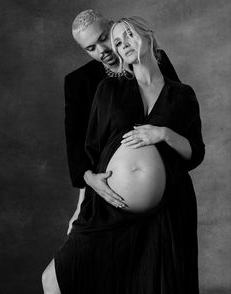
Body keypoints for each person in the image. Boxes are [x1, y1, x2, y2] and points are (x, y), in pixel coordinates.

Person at [43, 15, 205, 293]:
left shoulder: (180, 92)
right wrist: (82, 201)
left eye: (108, 38)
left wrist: (163, 133)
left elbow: (192, 145)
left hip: (168, 207)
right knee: (56, 278)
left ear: (146, 35)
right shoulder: (101, 87)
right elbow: (87, 148)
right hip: (110, 206)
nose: (105, 49)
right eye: (91, 47)